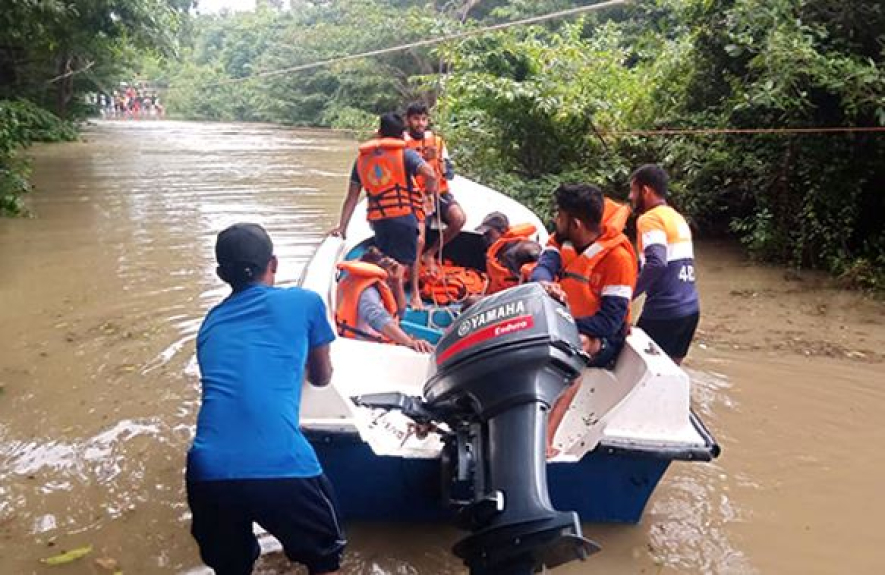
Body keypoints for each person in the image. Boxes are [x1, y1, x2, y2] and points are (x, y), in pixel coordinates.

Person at [187, 223, 345, 575]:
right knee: (326, 561)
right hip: (284, 464)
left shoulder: (209, 324)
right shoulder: (305, 303)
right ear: (273, 263)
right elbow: (321, 377)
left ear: (220, 274)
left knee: (232, 568)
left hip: (208, 471)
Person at [529, 184, 637, 454]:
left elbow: (609, 324)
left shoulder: (618, 260)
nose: (556, 219)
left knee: (577, 344)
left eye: (560, 215)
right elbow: (543, 268)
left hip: (601, 338)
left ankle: (545, 437)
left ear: (575, 223)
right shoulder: (560, 240)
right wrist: (545, 284)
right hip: (562, 323)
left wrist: (562, 325)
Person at [331, 112, 438, 310]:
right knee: (409, 257)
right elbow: (430, 173)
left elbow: (352, 197)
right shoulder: (406, 154)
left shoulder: (361, 160)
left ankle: (384, 298)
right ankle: (408, 301)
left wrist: (342, 226)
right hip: (403, 217)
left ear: (379, 133)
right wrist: (429, 194)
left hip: (379, 220)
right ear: (402, 134)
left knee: (387, 260)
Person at [629, 164, 700, 365]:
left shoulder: (649, 219)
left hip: (664, 310)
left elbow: (657, 262)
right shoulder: (676, 217)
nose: (631, 197)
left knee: (639, 367)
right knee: (672, 374)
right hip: (690, 310)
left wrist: (628, 296)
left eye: (633, 190)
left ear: (645, 190)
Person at [335, 247, 434, 352]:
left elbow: (400, 313)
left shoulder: (364, 281)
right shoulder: (367, 292)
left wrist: (397, 282)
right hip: (367, 347)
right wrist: (409, 342)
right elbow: (377, 318)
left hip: (378, 340)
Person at [404, 103, 465, 267]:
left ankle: (431, 254)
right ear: (408, 120)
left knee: (459, 219)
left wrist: (444, 167)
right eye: (416, 119)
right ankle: (413, 263)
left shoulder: (437, 142)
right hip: (416, 196)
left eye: (424, 119)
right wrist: (423, 158)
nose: (420, 123)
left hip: (439, 194)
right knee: (419, 237)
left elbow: (449, 173)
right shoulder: (401, 143)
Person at [476, 211, 541, 294]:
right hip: (496, 299)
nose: (485, 237)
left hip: (515, 299)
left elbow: (536, 253)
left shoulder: (520, 247)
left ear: (502, 230)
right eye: (484, 234)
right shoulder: (495, 255)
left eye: (488, 233)